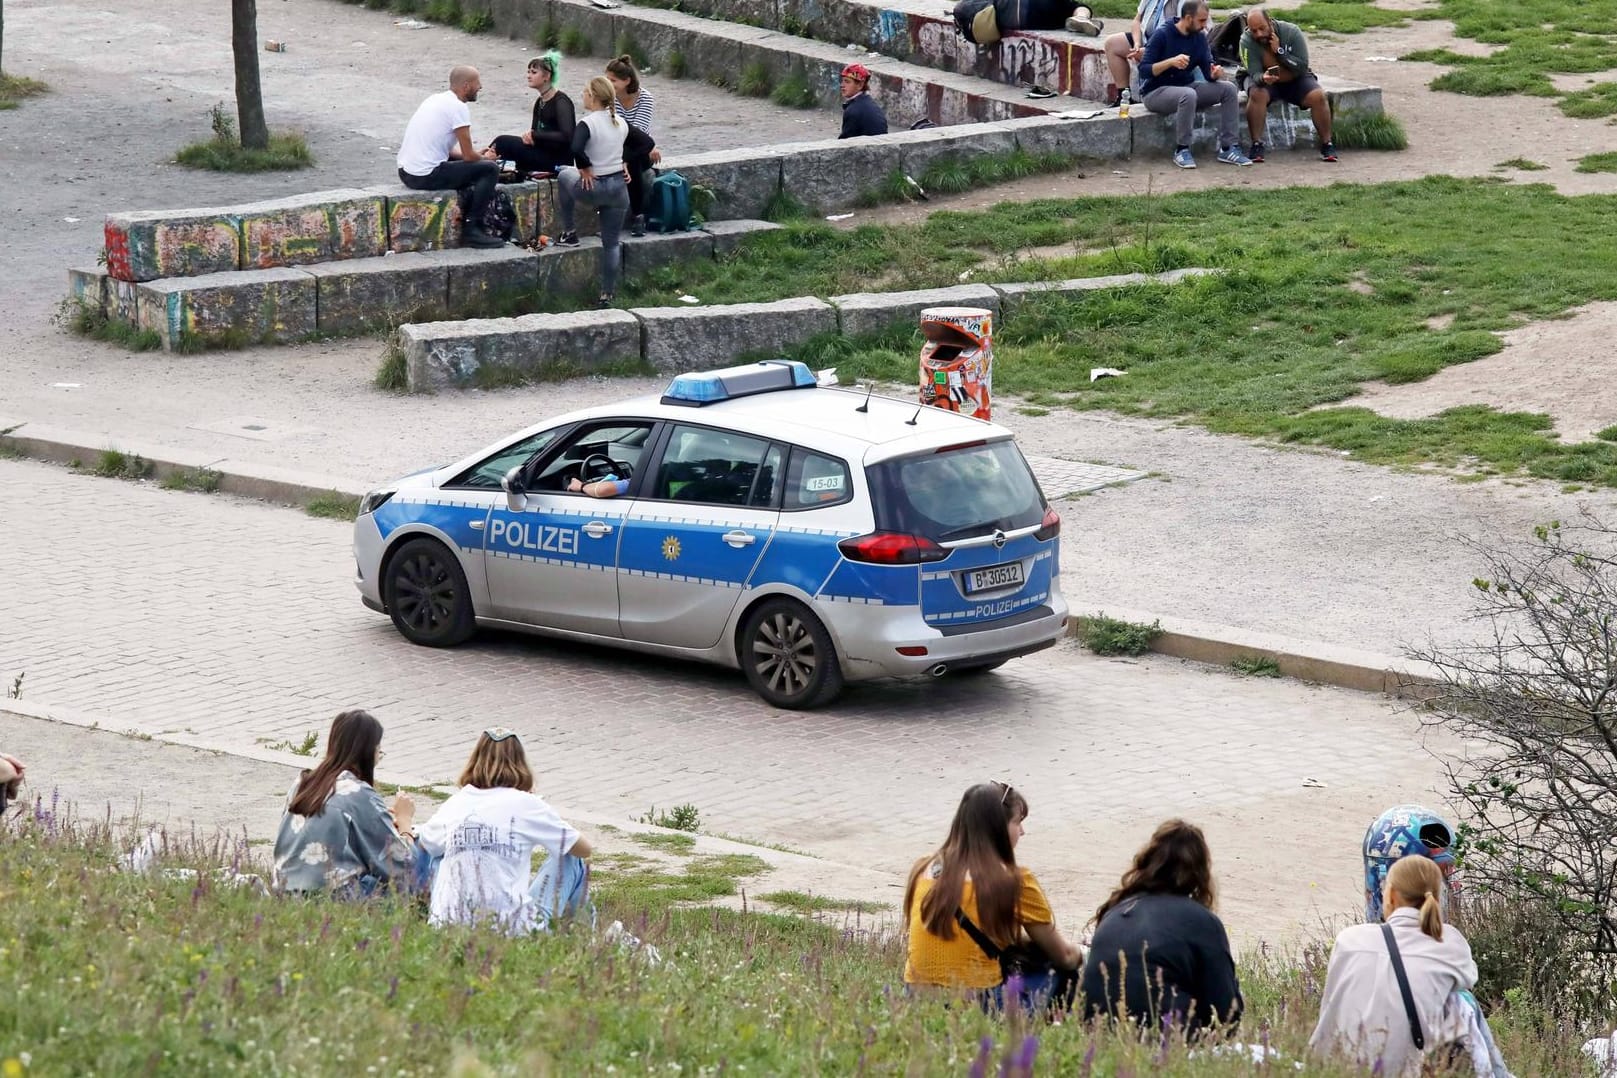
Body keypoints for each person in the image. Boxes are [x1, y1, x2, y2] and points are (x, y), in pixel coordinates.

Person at [903, 782, 1082, 1011]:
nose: (1022, 832)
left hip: (915, 1000)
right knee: (1059, 969)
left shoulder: (924, 869)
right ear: (998, 828)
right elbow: (1064, 955)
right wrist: (1082, 954)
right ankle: (1046, 1034)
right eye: (1018, 822)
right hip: (975, 1003)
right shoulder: (1015, 881)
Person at [1311, 856, 1479, 1076]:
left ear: (1389, 895)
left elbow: (1330, 1011)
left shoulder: (1349, 940)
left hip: (1347, 1068)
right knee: (1463, 1000)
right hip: (1414, 1068)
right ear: (1437, 899)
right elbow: (1469, 979)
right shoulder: (1450, 941)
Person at [416, 728, 593, 934]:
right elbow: (584, 848)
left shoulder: (456, 802)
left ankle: (441, 913)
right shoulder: (526, 803)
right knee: (571, 858)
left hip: (447, 929)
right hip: (510, 930)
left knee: (439, 853)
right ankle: (583, 938)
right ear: (521, 763)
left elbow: (426, 842)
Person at [1079, 818, 1243, 1035]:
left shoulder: (1116, 910)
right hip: (1166, 1040)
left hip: (1098, 1036)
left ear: (1150, 860)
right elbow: (1226, 1014)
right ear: (1201, 871)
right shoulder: (1203, 921)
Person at [272, 709, 419, 896]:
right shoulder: (359, 793)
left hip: (284, 893)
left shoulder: (302, 782)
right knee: (412, 866)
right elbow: (403, 867)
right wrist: (405, 822)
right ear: (368, 752)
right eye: (378, 751)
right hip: (330, 900)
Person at [396, 66, 505, 249]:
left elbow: (448, 151)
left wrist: (478, 155)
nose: (481, 87)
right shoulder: (458, 107)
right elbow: (470, 156)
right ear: (466, 86)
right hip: (425, 175)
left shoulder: (436, 99)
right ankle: (473, 229)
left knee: (477, 165)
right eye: (477, 82)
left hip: (406, 171)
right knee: (489, 171)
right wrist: (486, 159)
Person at [1139, 0, 1252, 169]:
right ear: (1187, 18)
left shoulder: (1199, 38)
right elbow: (1144, 70)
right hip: (1155, 92)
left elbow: (1208, 71)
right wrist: (1170, 62)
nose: (1205, 25)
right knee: (1188, 94)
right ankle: (1182, 149)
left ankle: (1229, 147)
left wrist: (1215, 74)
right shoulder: (1163, 34)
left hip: (1185, 87)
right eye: (1201, 21)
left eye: (1206, 20)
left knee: (1229, 89)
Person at [556, 76, 631, 310]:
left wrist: (586, 167)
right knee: (611, 244)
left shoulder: (587, 123)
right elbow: (622, 148)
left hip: (593, 187)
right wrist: (624, 165)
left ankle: (569, 231)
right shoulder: (620, 122)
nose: (583, 96)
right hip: (619, 188)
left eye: (585, 92)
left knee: (563, 175)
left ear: (594, 96)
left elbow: (576, 148)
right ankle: (607, 294)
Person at [1241, 8, 1336, 163]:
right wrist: (1263, 78)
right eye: (1254, 30)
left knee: (1318, 96)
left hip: (1295, 78)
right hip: (1266, 82)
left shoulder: (1291, 32)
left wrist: (1279, 52)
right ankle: (1256, 145)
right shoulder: (1246, 41)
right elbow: (1253, 73)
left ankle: (1327, 144)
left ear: (1270, 22)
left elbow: (1302, 66)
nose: (1258, 34)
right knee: (1257, 94)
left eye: (1262, 28)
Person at [486, 52, 575, 176]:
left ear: (547, 76)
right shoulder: (540, 101)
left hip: (557, 160)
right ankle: (483, 162)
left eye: (533, 72)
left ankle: (480, 165)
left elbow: (567, 136)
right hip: (543, 151)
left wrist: (536, 136)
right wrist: (530, 137)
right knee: (502, 144)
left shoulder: (561, 101)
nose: (528, 76)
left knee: (503, 143)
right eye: (528, 72)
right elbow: (535, 132)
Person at [605, 54, 659, 238]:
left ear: (627, 81)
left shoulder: (645, 98)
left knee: (633, 162)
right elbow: (611, 129)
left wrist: (624, 159)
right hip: (618, 148)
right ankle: (638, 215)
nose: (608, 84)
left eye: (612, 80)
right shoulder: (610, 100)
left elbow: (639, 132)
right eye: (607, 80)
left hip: (638, 148)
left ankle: (638, 215)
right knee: (629, 162)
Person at [1100, 0, 1175, 107]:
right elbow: (1137, 21)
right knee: (1112, 43)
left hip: (1168, 46)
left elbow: (1182, 30)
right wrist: (1137, 43)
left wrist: (1151, 50)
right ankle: (1124, 97)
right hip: (1146, 40)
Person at [838, 64, 888, 139]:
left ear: (860, 85)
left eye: (847, 82)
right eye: (842, 81)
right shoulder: (869, 103)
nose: (842, 85)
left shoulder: (853, 110)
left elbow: (845, 141)